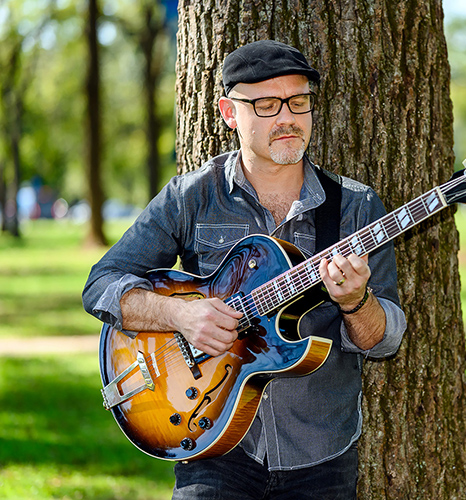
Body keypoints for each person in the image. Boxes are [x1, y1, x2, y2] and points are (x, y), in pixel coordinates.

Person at [82, 39, 406, 499]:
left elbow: (386, 339)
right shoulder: (192, 196)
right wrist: (182, 316)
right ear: (230, 113)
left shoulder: (355, 207)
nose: (288, 118)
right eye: (267, 105)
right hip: (210, 443)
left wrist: (356, 301)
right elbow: (102, 284)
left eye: (298, 102)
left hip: (320, 454)